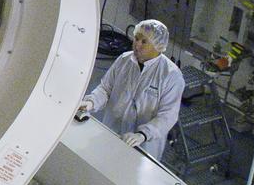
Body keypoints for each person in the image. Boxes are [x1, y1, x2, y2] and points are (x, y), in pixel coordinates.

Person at [77, 19, 184, 159]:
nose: (137, 45)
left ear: (158, 46)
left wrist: (143, 134)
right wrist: (91, 102)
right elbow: (106, 88)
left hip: (143, 146)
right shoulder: (124, 60)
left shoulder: (170, 76)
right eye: (137, 38)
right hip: (112, 131)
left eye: (144, 42)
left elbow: (167, 116)